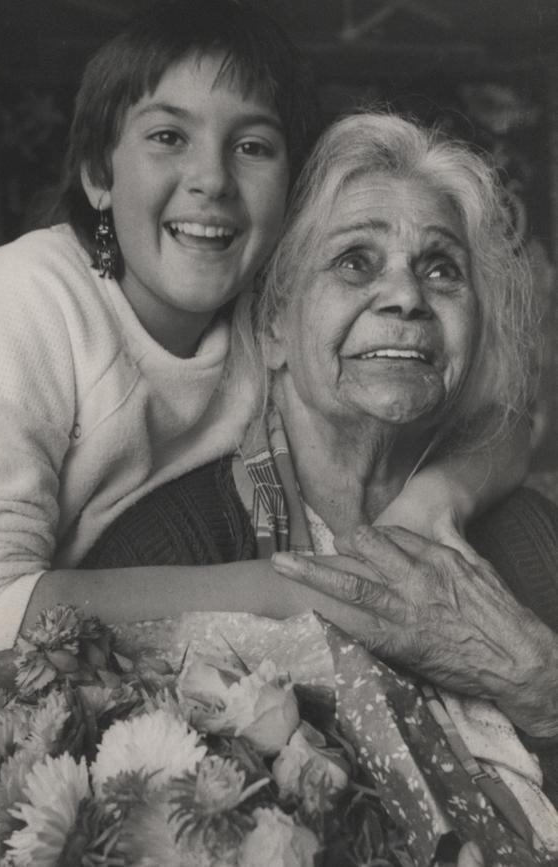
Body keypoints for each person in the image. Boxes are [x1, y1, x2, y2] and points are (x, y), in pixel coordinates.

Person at [74, 113, 558, 858]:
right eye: (356, 262)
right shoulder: (173, 541)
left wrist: (539, 685)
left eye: (441, 268)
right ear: (273, 322)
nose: (406, 297)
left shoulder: (532, 532)